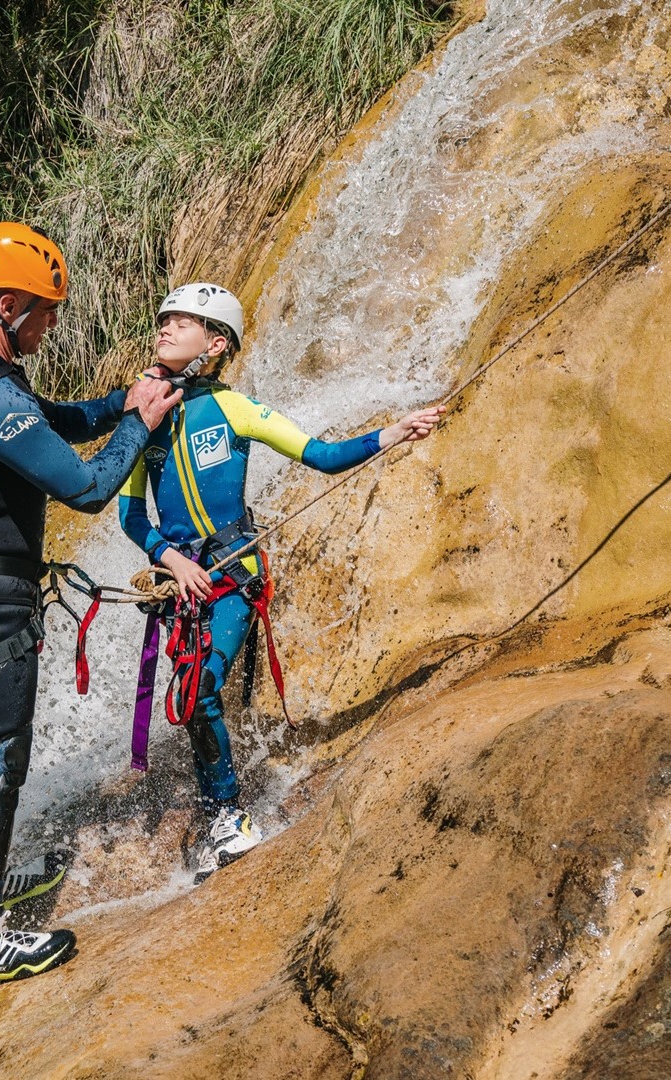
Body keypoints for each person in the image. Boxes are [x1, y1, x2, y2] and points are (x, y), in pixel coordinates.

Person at [0, 222, 180, 991]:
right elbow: (87, 488)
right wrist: (140, 425)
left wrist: (115, 405)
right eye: (48, 311)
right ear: (11, 302)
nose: (53, 324)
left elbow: (46, 422)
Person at [118, 282, 445, 884]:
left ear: (215, 344)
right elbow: (132, 515)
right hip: (185, 582)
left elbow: (319, 456)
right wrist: (169, 558)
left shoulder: (234, 409)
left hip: (233, 577)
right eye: (164, 320)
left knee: (201, 687)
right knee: (195, 693)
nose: (166, 328)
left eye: (183, 323)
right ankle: (223, 807)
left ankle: (230, 817)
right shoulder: (146, 419)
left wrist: (391, 434)